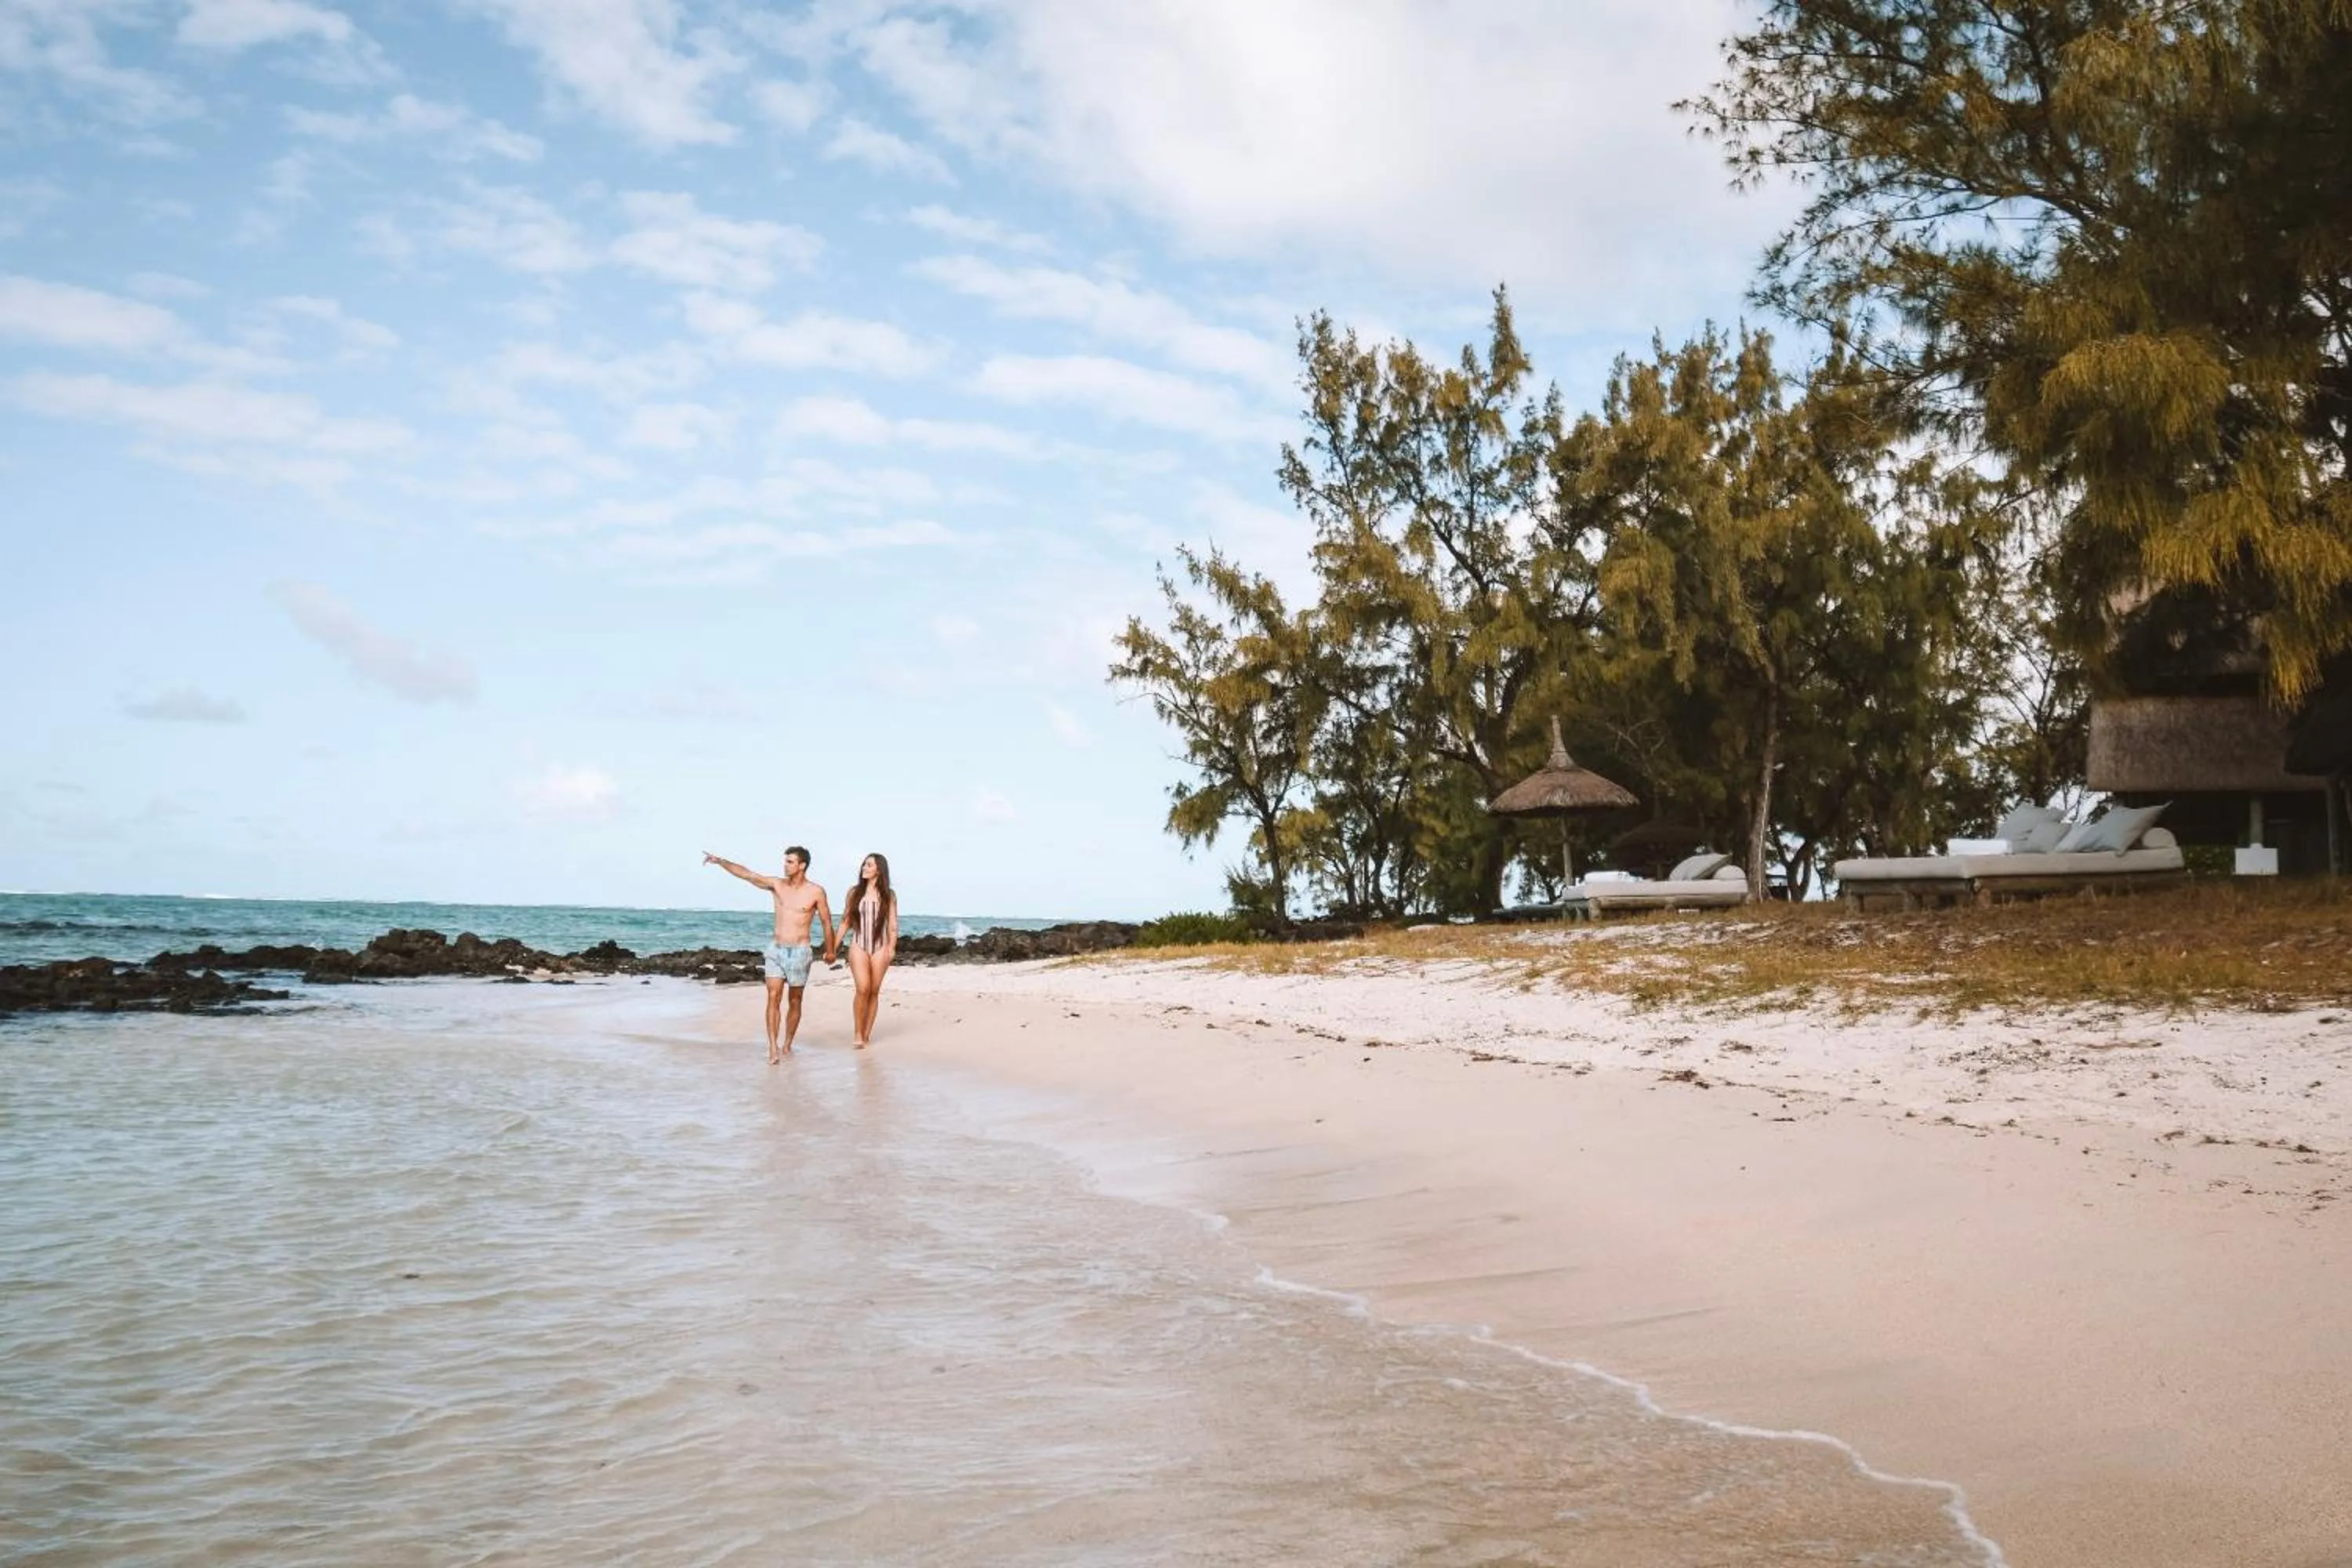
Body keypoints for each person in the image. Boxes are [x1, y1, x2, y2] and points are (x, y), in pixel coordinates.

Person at [702, 845, 835, 1064]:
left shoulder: (816, 892)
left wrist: (830, 951)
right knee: (773, 996)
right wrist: (720, 861)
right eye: (785, 861)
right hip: (776, 950)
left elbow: (826, 922)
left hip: (800, 951)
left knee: (795, 1000)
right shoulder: (776, 885)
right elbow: (747, 874)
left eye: (790, 862)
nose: (786, 865)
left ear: (802, 865)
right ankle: (773, 1047)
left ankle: (787, 1044)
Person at [831, 851, 898, 1048]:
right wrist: (833, 946)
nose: (864, 868)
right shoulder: (854, 892)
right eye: (864, 864)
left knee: (874, 991)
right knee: (863, 988)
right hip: (858, 945)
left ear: (879, 870)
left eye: (869, 865)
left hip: (880, 947)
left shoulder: (889, 895)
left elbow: (892, 925)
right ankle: (858, 1033)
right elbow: (845, 921)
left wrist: (892, 948)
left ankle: (866, 1034)